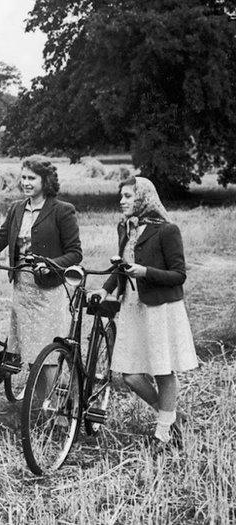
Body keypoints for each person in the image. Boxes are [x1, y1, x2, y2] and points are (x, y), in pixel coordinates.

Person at [90, 176, 197, 447]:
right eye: (122, 196)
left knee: (162, 370)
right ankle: (171, 415)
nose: (122, 201)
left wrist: (145, 272)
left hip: (160, 308)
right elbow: (121, 267)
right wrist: (104, 290)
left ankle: (163, 431)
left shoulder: (167, 230)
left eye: (128, 196)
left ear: (143, 198)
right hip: (131, 307)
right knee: (130, 374)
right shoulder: (125, 228)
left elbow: (178, 275)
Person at [0, 158, 82, 374]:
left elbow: (75, 253)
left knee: (46, 355)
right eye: (24, 177)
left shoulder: (62, 210)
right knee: (29, 354)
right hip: (22, 288)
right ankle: (34, 406)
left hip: (48, 290)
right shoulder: (16, 208)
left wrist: (51, 264)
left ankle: (49, 406)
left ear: (45, 181)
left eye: (31, 178)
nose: (26, 182)